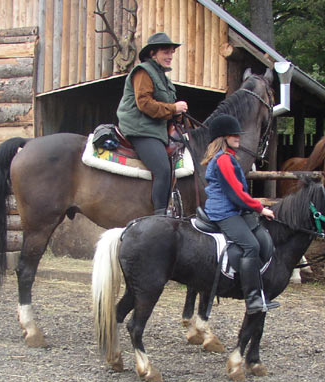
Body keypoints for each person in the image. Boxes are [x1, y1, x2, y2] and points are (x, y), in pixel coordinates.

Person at [202, 115, 279, 314]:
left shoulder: (227, 158)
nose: (238, 137)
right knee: (250, 246)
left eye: (238, 134)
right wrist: (259, 208)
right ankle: (252, 299)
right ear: (222, 137)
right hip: (224, 212)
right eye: (233, 134)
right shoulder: (224, 160)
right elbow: (236, 193)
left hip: (233, 209)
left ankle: (260, 290)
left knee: (258, 237)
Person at [116, 32, 189, 215]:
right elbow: (144, 103)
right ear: (153, 53)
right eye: (166, 51)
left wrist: (178, 114)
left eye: (172, 52)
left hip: (155, 130)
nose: (170, 56)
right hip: (140, 129)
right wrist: (173, 108)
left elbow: (163, 106)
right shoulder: (144, 72)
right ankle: (160, 215)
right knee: (163, 169)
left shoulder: (162, 76)